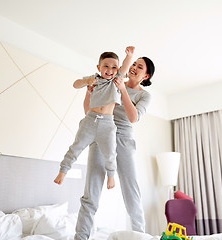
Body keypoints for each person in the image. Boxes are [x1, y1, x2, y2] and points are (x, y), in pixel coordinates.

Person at [74, 56, 155, 240]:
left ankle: (139, 236)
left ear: (146, 75)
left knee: (131, 193)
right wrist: (89, 92)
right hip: (102, 134)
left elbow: (133, 117)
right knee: (90, 195)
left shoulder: (144, 95)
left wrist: (123, 90)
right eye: (133, 64)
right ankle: (80, 237)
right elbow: (89, 112)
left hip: (124, 141)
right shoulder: (111, 82)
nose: (133, 67)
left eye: (139, 67)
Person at [54, 46, 135, 189]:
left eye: (114, 67)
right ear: (99, 67)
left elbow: (125, 66)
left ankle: (111, 176)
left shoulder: (116, 80)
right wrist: (87, 82)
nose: (110, 70)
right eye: (106, 66)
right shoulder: (94, 79)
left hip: (107, 124)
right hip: (90, 121)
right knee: (76, 147)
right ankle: (63, 171)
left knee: (110, 154)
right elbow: (75, 84)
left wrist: (129, 56)